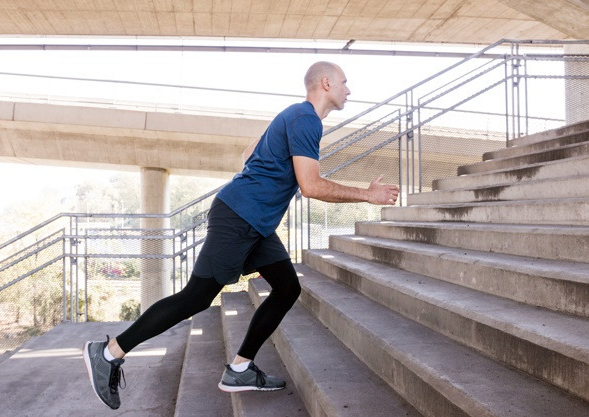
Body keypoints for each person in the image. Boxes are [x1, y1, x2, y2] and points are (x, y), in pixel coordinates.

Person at [83, 61, 399, 410]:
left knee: (287, 287)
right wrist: (367, 195)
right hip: (239, 217)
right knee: (196, 297)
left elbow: (248, 154)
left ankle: (240, 369)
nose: (348, 90)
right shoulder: (306, 119)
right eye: (344, 82)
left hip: (255, 222)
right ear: (326, 83)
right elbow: (310, 186)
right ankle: (108, 353)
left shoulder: (294, 116)